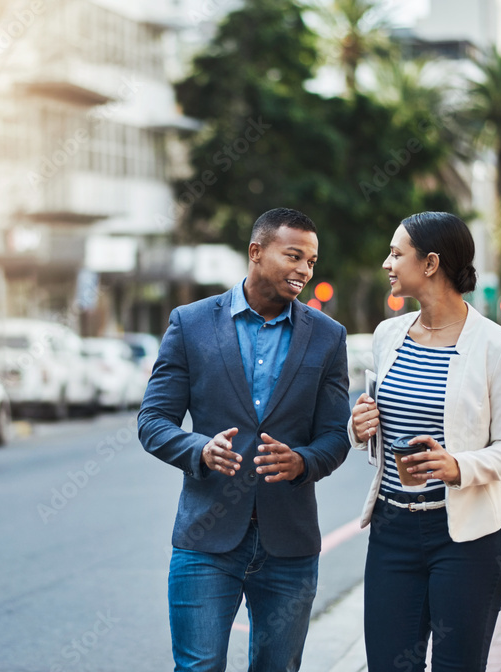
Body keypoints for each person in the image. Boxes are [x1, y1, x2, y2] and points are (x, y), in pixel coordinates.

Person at [138, 207, 351, 672]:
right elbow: (153, 421)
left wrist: (302, 461)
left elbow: (336, 435)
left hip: (289, 544)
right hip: (207, 538)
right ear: (256, 252)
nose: (304, 270)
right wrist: (200, 449)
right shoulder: (190, 323)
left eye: (311, 262)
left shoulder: (328, 338)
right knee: (198, 667)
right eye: (293, 256)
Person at [349, 212, 501, 671]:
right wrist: (361, 426)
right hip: (392, 530)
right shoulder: (389, 335)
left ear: (430, 264)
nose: (387, 263)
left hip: (465, 539)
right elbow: (380, 427)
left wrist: (458, 467)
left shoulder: (498, 346)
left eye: (396, 253)